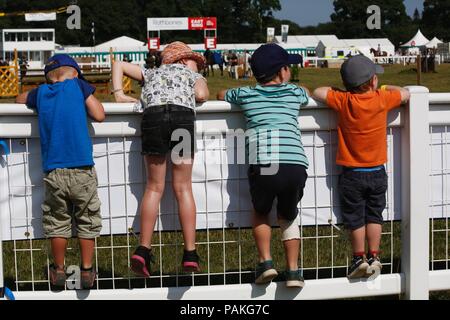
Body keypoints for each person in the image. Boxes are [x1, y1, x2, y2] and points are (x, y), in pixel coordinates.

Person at [112, 41, 209, 277]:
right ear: (184, 61)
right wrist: (199, 79)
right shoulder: (189, 72)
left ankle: (143, 249)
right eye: (196, 62)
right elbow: (202, 95)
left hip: (153, 118)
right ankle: (190, 253)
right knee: (183, 187)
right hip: (182, 119)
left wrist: (120, 94)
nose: (199, 66)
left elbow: (118, 64)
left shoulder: (151, 72)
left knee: (154, 188)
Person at [217, 43, 310, 288]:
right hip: (294, 165)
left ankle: (266, 262)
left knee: (260, 211)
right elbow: (306, 92)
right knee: (288, 216)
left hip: (264, 164)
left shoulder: (246, 94)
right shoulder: (293, 93)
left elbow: (222, 95)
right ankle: (292, 270)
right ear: (282, 73)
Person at [312, 55, 410, 279]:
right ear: (373, 81)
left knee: (355, 218)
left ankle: (358, 258)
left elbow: (318, 91)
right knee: (374, 215)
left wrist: (341, 90)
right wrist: (384, 87)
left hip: (351, 174)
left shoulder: (344, 101)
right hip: (377, 171)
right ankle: (374, 255)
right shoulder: (382, 98)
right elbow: (406, 92)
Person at [15, 54, 105, 289]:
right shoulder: (78, 86)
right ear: (75, 73)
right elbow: (99, 114)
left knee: (57, 222)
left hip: (54, 171)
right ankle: (86, 270)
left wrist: (37, 93)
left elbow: (19, 98)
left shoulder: (41, 93)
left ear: (48, 78)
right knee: (87, 218)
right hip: (82, 169)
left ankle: (58, 269)